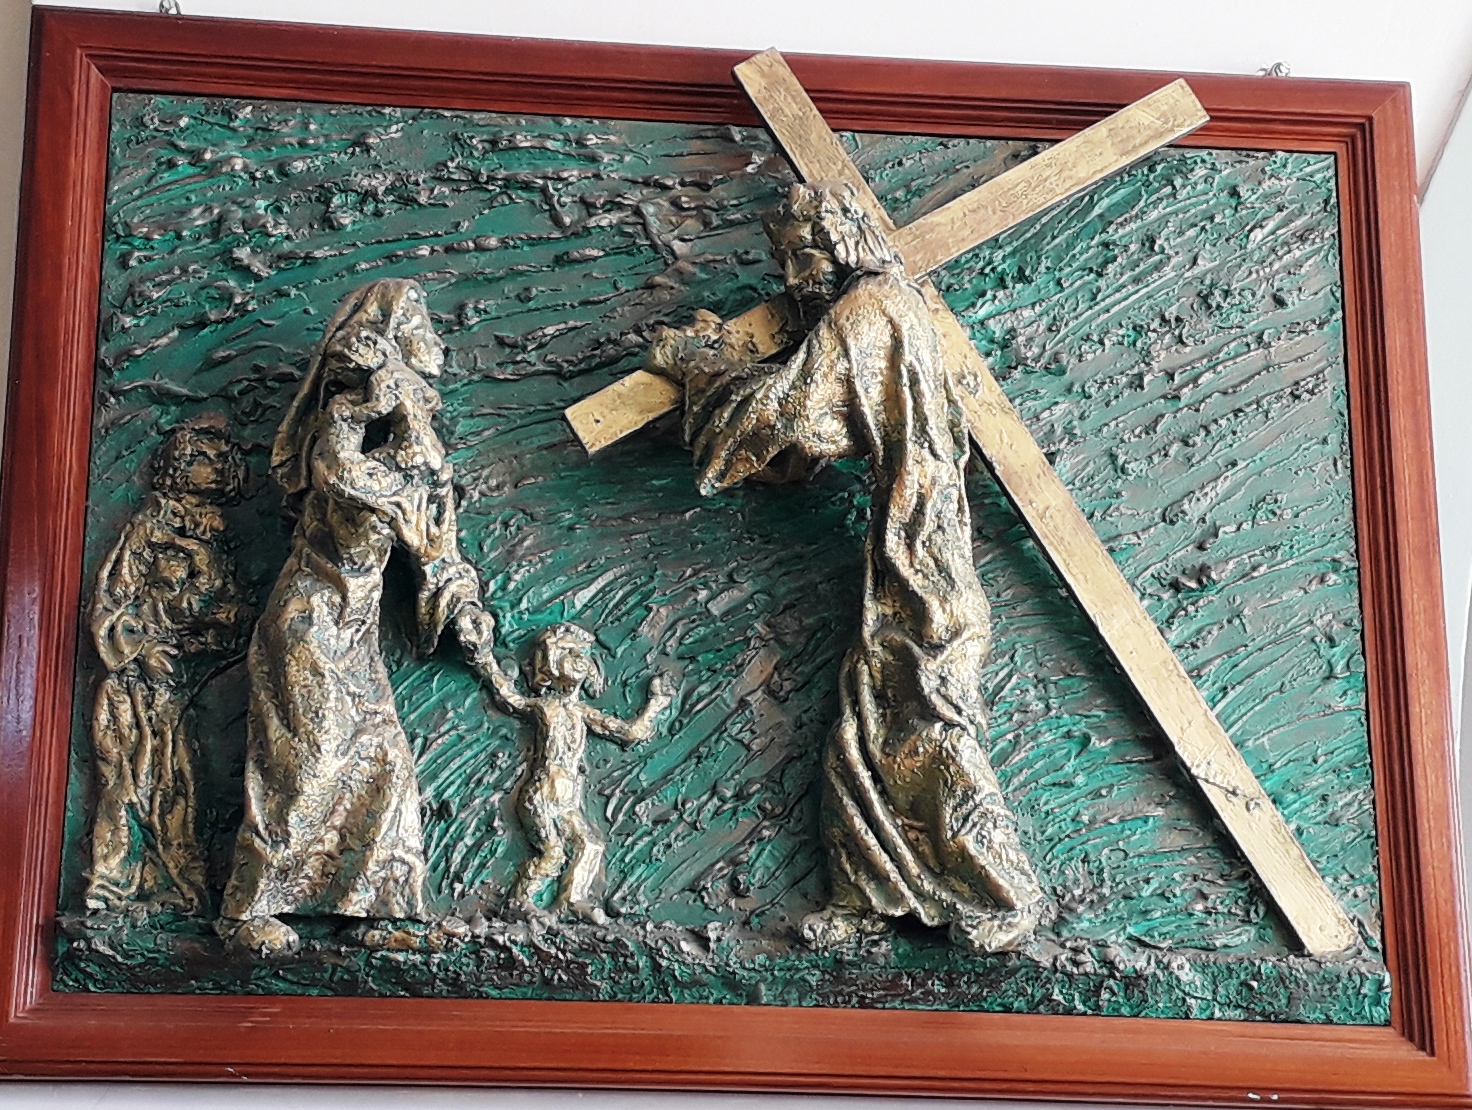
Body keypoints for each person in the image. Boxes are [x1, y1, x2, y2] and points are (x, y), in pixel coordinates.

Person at [648, 182, 1045, 953]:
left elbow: (791, 416)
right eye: (788, 260)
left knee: (929, 726)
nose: (798, 276)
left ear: (841, 242)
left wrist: (703, 367)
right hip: (906, 556)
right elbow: (807, 449)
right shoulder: (879, 311)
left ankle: (1006, 893)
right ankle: (872, 893)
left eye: (804, 253)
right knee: (865, 730)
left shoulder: (872, 307)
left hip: (928, 565)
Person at [218, 278, 496, 958]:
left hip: (357, 633)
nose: (431, 343)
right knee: (307, 763)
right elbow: (344, 480)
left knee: (385, 759)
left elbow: (440, 549)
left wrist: (461, 604)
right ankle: (248, 910)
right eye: (417, 327)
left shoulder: (421, 466)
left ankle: (381, 909)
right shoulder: (340, 434)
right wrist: (378, 404)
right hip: (309, 622)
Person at [85, 414, 252, 915]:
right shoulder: (151, 528)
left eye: (221, 461)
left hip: (185, 684)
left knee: (181, 786)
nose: (213, 469)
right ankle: (115, 885)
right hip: (136, 684)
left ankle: (178, 887)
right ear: (179, 465)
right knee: (129, 779)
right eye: (201, 459)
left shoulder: (217, 539)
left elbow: (227, 614)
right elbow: (112, 603)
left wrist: (208, 638)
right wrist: (140, 647)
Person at [482, 624, 673, 924]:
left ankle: (571, 900)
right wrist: (483, 658)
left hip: (567, 800)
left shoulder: (581, 713)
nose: (580, 660)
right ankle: (518, 902)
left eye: (581, 654)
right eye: (570, 653)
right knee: (552, 852)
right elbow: (509, 697)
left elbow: (630, 732)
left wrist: (655, 705)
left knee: (590, 845)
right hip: (541, 796)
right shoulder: (546, 708)